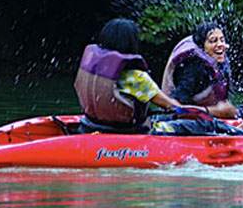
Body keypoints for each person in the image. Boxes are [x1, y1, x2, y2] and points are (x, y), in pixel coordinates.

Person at [73, 18, 201, 133]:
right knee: (197, 125)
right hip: (129, 131)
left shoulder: (92, 68)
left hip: (91, 124)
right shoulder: (136, 78)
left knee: (163, 116)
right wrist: (204, 112)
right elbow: (172, 106)